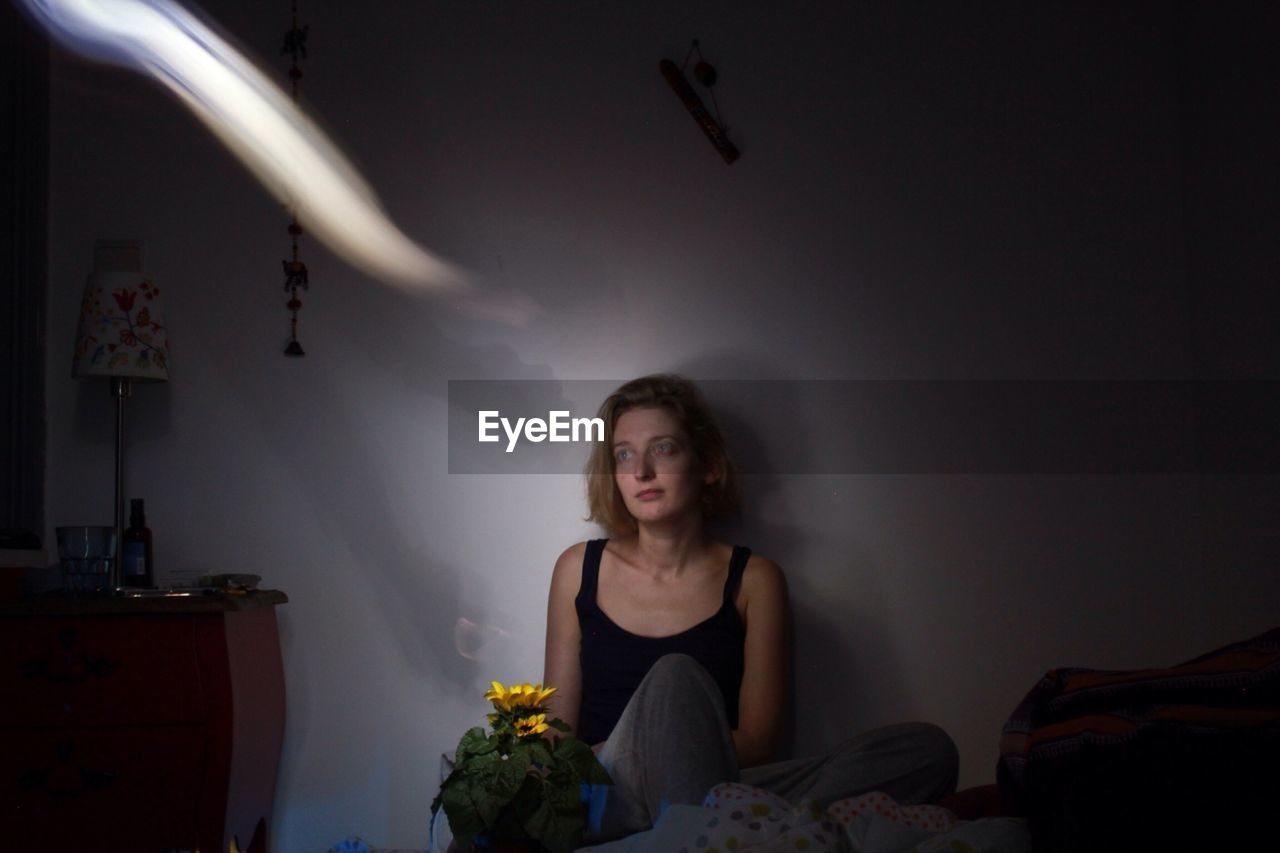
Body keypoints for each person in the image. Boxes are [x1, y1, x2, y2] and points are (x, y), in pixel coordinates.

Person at [542, 374, 957, 841]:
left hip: (719, 786)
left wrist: (675, 748)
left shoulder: (755, 579)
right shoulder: (580, 568)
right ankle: (747, 835)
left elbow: (759, 743)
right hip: (611, 789)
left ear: (710, 466)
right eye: (623, 454)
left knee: (925, 751)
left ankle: (704, 834)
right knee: (675, 678)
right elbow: (555, 735)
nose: (641, 472)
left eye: (663, 449)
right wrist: (635, 750)